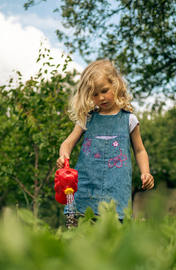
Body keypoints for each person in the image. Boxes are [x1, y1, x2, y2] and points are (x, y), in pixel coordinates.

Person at [57, 59, 154, 220]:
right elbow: (67, 143)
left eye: (104, 90)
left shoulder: (129, 120)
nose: (101, 97)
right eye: (95, 94)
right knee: (80, 228)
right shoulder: (87, 119)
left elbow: (140, 150)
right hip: (86, 184)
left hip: (117, 186)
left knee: (113, 233)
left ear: (115, 85)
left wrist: (146, 173)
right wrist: (63, 155)